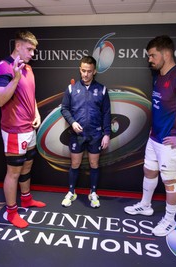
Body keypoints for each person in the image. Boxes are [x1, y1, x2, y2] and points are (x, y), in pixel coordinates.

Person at [124, 35, 176, 236]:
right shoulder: (158, 76)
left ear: (166, 53)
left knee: (170, 182)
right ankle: (145, 205)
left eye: (152, 55)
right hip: (155, 138)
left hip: (171, 142)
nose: (149, 59)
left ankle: (169, 220)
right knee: (149, 171)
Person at [0, 30, 46, 228]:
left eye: (34, 50)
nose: (32, 54)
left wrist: (36, 112)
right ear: (18, 46)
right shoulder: (3, 67)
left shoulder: (28, 69)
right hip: (14, 130)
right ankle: (11, 212)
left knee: (27, 167)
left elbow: (30, 95)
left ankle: (26, 199)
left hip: (29, 128)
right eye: (30, 49)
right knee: (13, 172)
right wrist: (14, 78)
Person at [60, 56, 111, 208]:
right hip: (77, 135)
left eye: (89, 71)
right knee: (75, 163)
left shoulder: (101, 89)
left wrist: (107, 134)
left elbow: (107, 113)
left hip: (95, 134)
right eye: (83, 70)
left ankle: (93, 193)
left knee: (94, 163)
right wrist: (73, 122)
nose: (86, 74)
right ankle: (71, 192)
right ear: (80, 69)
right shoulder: (71, 89)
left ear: (94, 71)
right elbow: (64, 109)